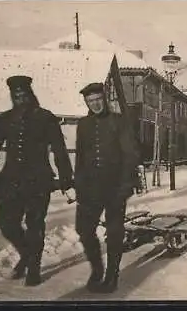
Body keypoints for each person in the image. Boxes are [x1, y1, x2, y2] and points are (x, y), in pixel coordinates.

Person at [0, 76, 74, 286]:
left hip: (38, 181)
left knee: (35, 225)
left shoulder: (46, 118)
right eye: (16, 95)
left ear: (30, 94)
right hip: (10, 181)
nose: (20, 98)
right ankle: (28, 255)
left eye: (23, 94)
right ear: (12, 96)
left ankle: (34, 269)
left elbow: (59, 149)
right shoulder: (5, 119)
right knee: (6, 224)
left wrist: (66, 179)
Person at [73, 82, 139, 293]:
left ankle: (112, 275)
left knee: (114, 231)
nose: (95, 104)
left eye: (98, 100)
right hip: (90, 188)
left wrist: (126, 185)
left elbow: (130, 155)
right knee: (83, 229)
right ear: (86, 102)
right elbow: (81, 158)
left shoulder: (119, 122)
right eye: (90, 101)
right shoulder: (83, 125)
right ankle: (97, 269)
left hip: (115, 187)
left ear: (105, 99)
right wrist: (79, 184)